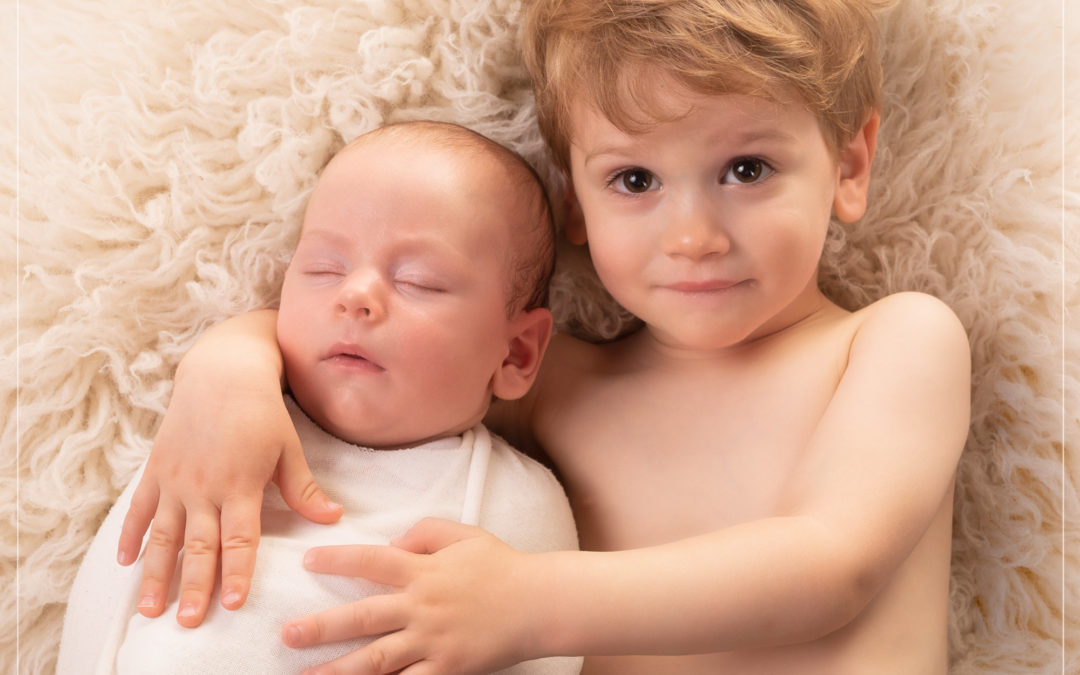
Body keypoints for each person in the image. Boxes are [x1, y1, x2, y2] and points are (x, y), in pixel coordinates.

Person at [112, 0, 973, 673]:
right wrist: (225, 370)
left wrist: (528, 601)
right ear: (573, 203)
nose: (693, 234)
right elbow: (371, 344)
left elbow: (831, 564)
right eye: (634, 179)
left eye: (746, 169)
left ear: (849, 166)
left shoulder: (894, 342)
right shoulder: (555, 382)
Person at [57, 121, 582, 675]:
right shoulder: (225, 426)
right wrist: (225, 365)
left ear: (516, 354)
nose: (355, 295)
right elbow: (117, 584)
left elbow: (545, 643)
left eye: (420, 280)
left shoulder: (515, 501)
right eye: (324, 269)